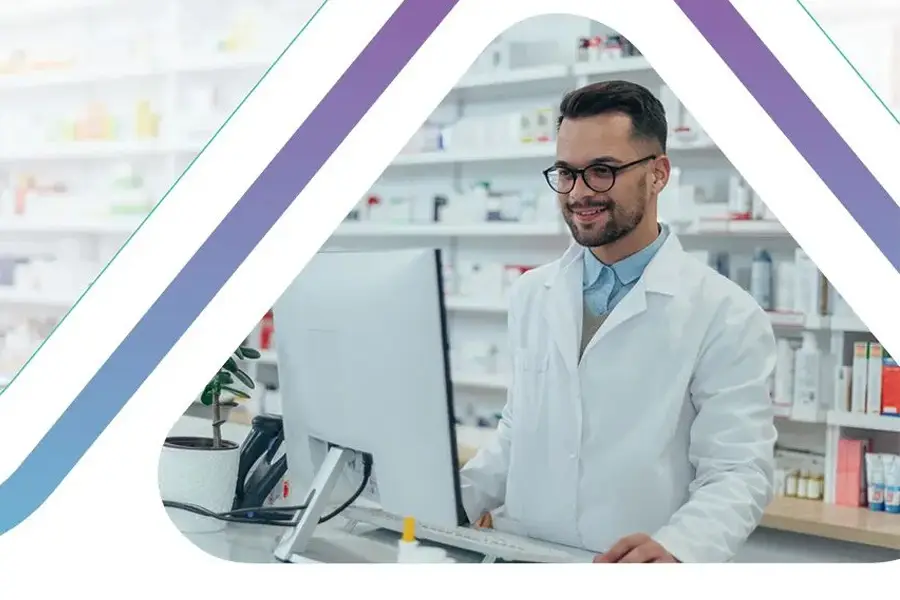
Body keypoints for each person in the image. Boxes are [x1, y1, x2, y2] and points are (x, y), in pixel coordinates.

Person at [458, 80, 778, 564]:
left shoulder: (726, 314)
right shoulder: (531, 294)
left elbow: (738, 469)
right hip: (522, 558)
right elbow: (517, 431)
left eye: (602, 171)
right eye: (566, 173)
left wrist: (681, 546)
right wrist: (448, 499)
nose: (580, 192)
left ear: (658, 174)